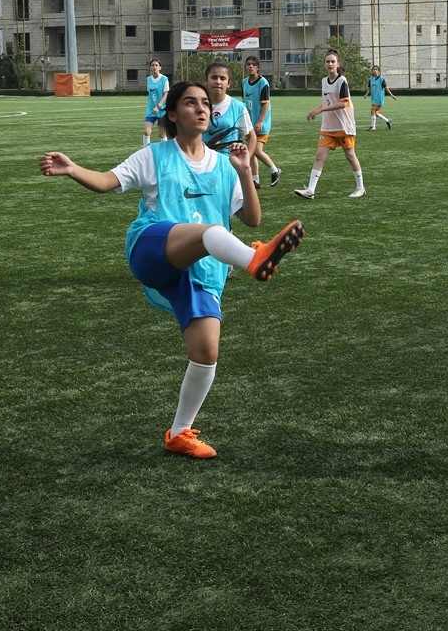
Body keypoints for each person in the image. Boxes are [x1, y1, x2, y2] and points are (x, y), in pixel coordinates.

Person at [39, 81, 305, 459]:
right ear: (173, 114)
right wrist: (72, 169)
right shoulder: (155, 156)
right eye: (190, 103)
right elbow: (107, 182)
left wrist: (245, 171)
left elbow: (252, 219)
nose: (201, 108)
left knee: (206, 352)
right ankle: (252, 258)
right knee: (211, 233)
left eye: (205, 103)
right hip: (152, 248)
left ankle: (179, 433)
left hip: (201, 270)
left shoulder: (223, 164)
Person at [294, 49, 366, 199]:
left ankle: (360, 188)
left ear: (338, 64)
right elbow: (327, 102)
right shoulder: (324, 81)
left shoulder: (342, 81)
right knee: (319, 156)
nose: (330, 64)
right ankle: (310, 190)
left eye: (333, 61)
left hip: (344, 126)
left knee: (350, 156)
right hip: (328, 127)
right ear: (324, 64)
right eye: (327, 61)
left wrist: (321, 110)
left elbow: (343, 103)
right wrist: (315, 110)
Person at [241, 56, 283, 188]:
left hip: (261, 124)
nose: (251, 66)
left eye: (254, 64)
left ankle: (275, 170)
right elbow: (244, 103)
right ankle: (255, 180)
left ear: (258, 68)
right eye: (248, 64)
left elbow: (265, 104)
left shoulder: (263, 83)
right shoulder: (244, 82)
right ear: (245, 67)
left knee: (256, 150)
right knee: (251, 153)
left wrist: (260, 122)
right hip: (249, 124)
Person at [203, 61, 256, 158]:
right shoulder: (198, 105)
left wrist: (246, 160)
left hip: (229, 164)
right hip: (202, 163)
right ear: (206, 80)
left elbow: (252, 137)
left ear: (228, 83)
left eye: (222, 78)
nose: (218, 82)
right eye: (214, 77)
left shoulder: (238, 107)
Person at [143, 58, 170, 147]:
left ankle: (165, 151)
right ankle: (146, 150)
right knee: (146, 132)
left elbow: (166, 95)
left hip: (162, 110)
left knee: (162, 134)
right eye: (152, 65)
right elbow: (150, 94)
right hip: (151, 110)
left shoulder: (164, 79)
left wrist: (158, 106)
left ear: (160, 67)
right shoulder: (148, 79)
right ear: (150, 68)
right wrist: (152, 106)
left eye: (156, 65)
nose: (154, 67)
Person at [362, 64, 398, 131]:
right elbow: (369, 88)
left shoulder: (381, 79)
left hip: (379, 99)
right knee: (376, 113)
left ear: (378, 71)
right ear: (372, 71)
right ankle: (387, 121)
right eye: (374, 69)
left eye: (376, 69)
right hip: (373, 99)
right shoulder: (371, 79)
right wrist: (366, 94)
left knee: (372, 110)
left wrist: (392, 95)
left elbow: (386, 88)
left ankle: (373, 127)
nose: (375, 70)